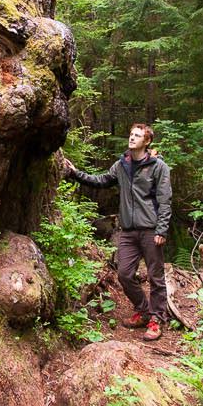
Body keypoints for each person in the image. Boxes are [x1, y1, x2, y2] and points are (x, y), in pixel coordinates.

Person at [61, 123, 173, 341]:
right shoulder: (122, 164)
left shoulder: (158, 167)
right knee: (124, 274)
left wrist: (162, 229)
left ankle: (156, 320)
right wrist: (75, 174)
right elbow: (102, 180)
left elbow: (165, 200)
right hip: (128, 231)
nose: (132, 138)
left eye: (137, 136)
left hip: (151, 230)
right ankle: (144, 309)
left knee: (156, 277)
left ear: (147, 141)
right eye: (131, 134)